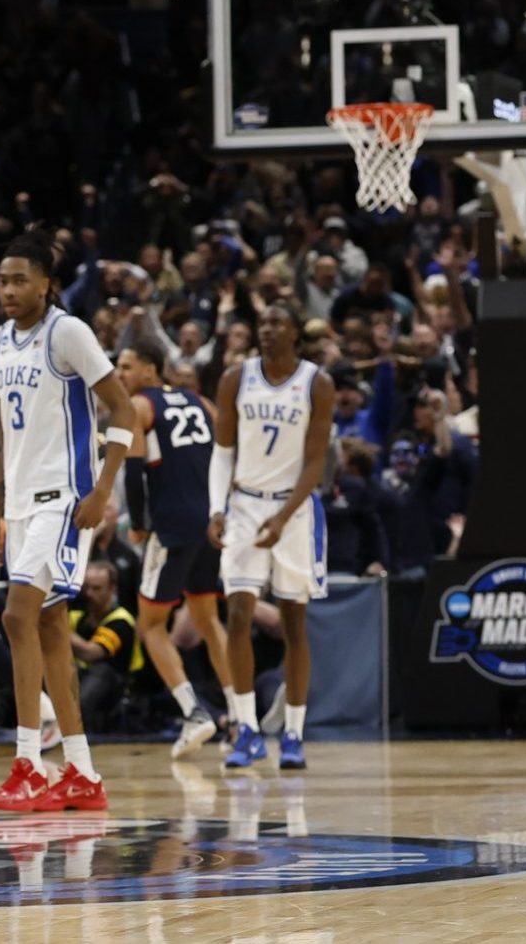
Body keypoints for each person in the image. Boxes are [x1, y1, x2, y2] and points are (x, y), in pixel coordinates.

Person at [0, 229, 136, 813]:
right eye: (2, 281)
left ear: (47, 284)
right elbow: (5, 436)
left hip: (64, 500)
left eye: (20, 279)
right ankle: (82, 772)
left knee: (16, 617)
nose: (9, 290)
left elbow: (122, 409)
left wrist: (102, 489)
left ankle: (28, 763)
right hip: (20, 506)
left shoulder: (67, 332)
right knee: (47, 632)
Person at [209, 303, 332, 771]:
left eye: (279, 322)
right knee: (237, 615)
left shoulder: (316, 383)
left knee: (293, 624)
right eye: (263, 322)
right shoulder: (235, 379)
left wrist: (282, 516)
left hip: (294, 510)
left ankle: (295, 734)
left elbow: (316, 463)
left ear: (297, 334)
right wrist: (216, 509)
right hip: (244, 504)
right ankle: (247, 731)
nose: (268, 329)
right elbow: (222, 453)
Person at [117, 339, 234, 760]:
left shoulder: (137, 407)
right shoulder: (200, 402)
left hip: (172, 527)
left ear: (151, 370)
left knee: (150, 625)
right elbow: (227, 455)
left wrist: (139, 525)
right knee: (206, 617)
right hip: (210, 525)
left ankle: (193, 712)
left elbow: (133, 474)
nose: (119, 374)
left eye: (127, 366)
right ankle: (241, 718)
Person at [68, 560, 140, 729]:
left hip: (115, 690)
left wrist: (57, 628)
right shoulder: (78, 615)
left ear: (112, 588)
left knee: (102, 671)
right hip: (79, 679)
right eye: (87, 588)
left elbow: (91, 653)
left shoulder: (121, 621)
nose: (89, 594)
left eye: (97, 588)